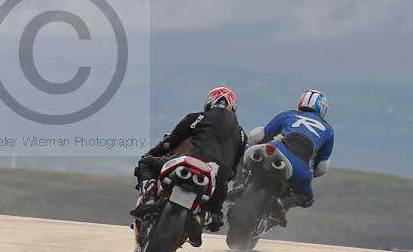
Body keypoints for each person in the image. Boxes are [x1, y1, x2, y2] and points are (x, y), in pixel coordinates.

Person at [132, 86, 247, 234]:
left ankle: (149, 199)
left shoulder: (199, 117)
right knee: (216, 217)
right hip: (218, 178)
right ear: (233, 106)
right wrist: (221, 179)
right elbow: (233, 170)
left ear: (210, 102)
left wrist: (151, 154)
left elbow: (169, 142)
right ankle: (203, 218)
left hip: (193, 163)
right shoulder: (242, 135)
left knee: (146, 163)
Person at [243, 89, 334, 227]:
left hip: (276, 149)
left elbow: (261, 135)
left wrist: (251, 144)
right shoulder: (328, 130)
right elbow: (321, 166)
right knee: (307, 198)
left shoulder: (288, 114)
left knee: (246, 155)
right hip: (299, 164)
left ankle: (239, 184)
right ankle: (282, 202)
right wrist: (311, 173)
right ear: (322, 109)